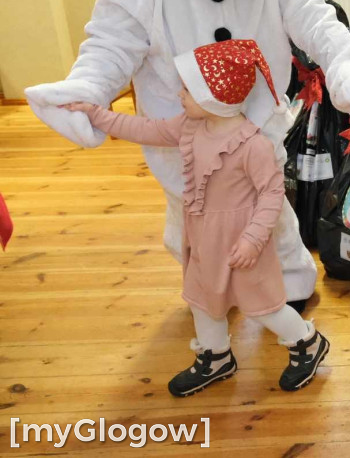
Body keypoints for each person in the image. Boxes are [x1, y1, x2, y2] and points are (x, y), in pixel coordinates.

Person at [23, 0, 350, 314]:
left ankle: (289, 283)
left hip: (253, 124)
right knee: (190, 214)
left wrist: (348, 69)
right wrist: (89, 89)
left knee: (268, 210)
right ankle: (210, 289)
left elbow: (316, 21)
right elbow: (115, 35)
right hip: (179, 127)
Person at [62, 39, 330, 396]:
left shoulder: (252, 145)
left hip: (240, 242)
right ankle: (216, 356)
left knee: (263, 306)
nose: (180, 95)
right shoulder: (189, 126)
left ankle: (306, 342)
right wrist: (97, 114)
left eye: (188, 89)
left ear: (213, 98)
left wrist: (252, 239)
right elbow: (145, 129)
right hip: (203, 236)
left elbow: (271, 194)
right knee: (202, 299)